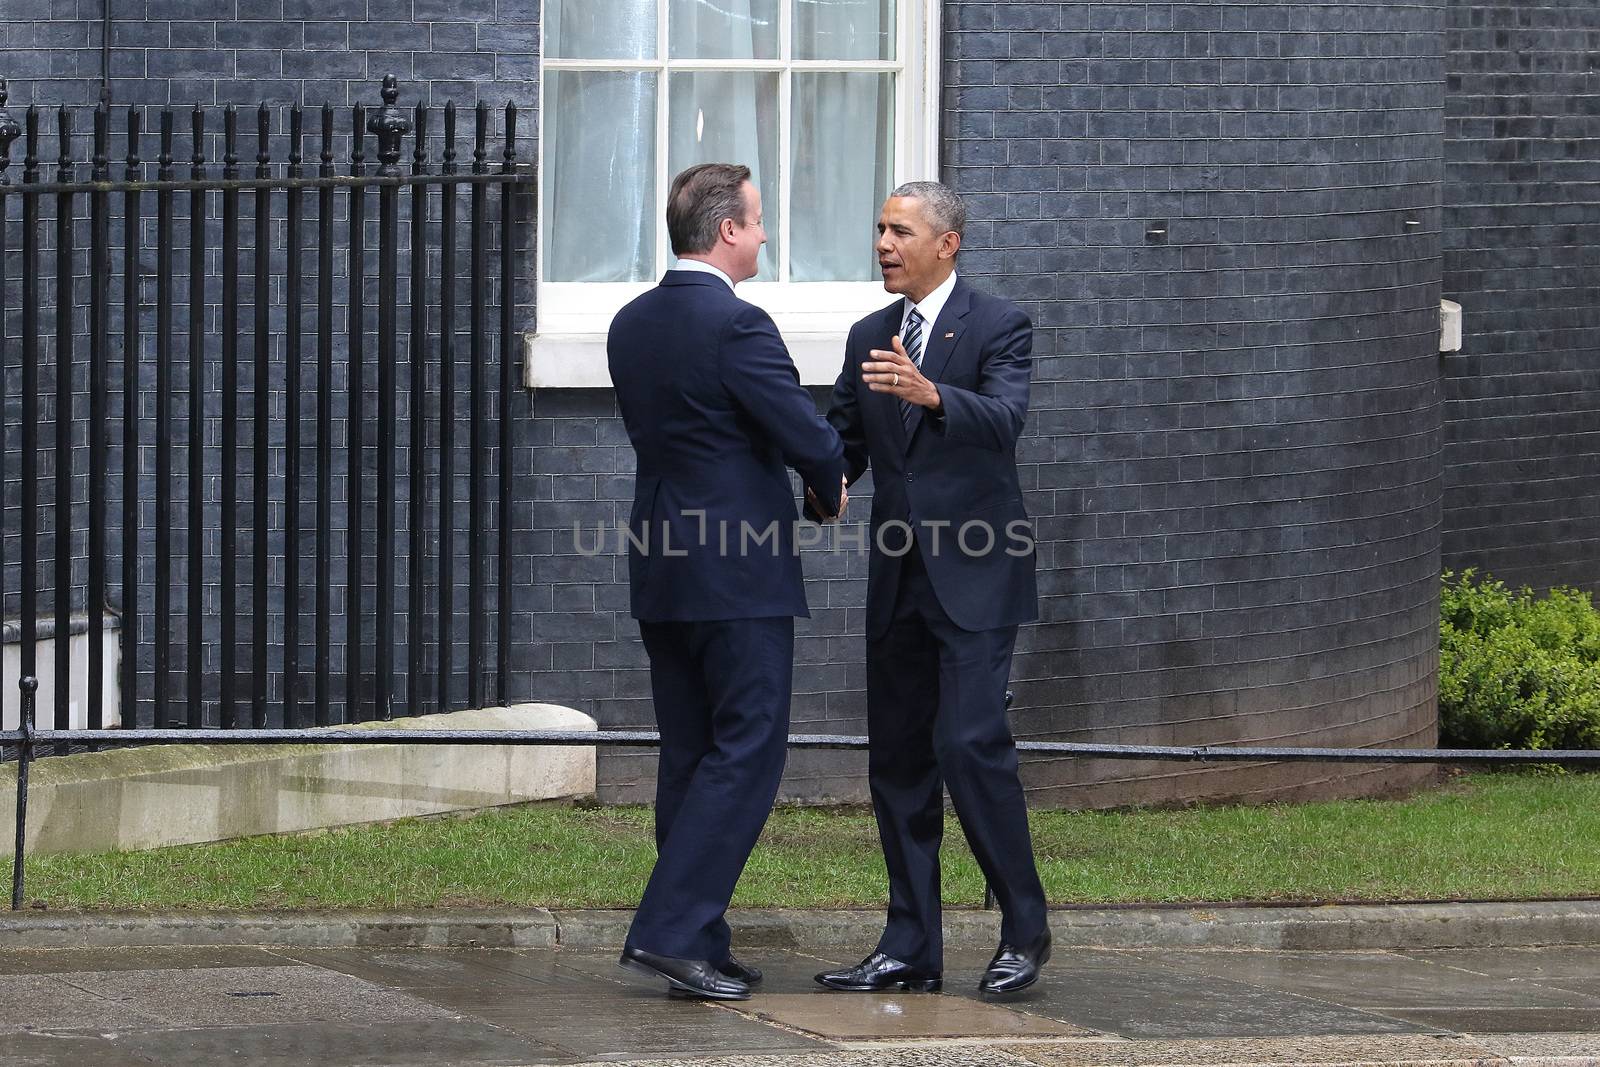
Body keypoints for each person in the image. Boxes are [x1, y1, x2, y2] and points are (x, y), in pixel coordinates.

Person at [608, 162, 848, 1001]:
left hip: (662, 559)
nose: (765, 234)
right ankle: (671, 933)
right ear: (726, 233)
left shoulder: (630, 322)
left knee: (692, 752)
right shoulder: (737, 325)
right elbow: (804, 433)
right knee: (747, 749)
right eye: (758, 220)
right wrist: (830, 483)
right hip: (735, 566)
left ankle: (698, 937)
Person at [810, 181, 1050, 995]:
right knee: (900, 762)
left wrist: (933, 394)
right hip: (900, 577)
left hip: (979, 575)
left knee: (970, 748)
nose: (883, 242)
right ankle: (910, 944)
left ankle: (1025, 927)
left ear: (946, 244)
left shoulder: (998, 324)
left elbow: (1005, 418)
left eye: (899, 230)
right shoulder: (867, 335)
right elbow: (844, 441)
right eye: (878, 227)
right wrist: (819, 480)